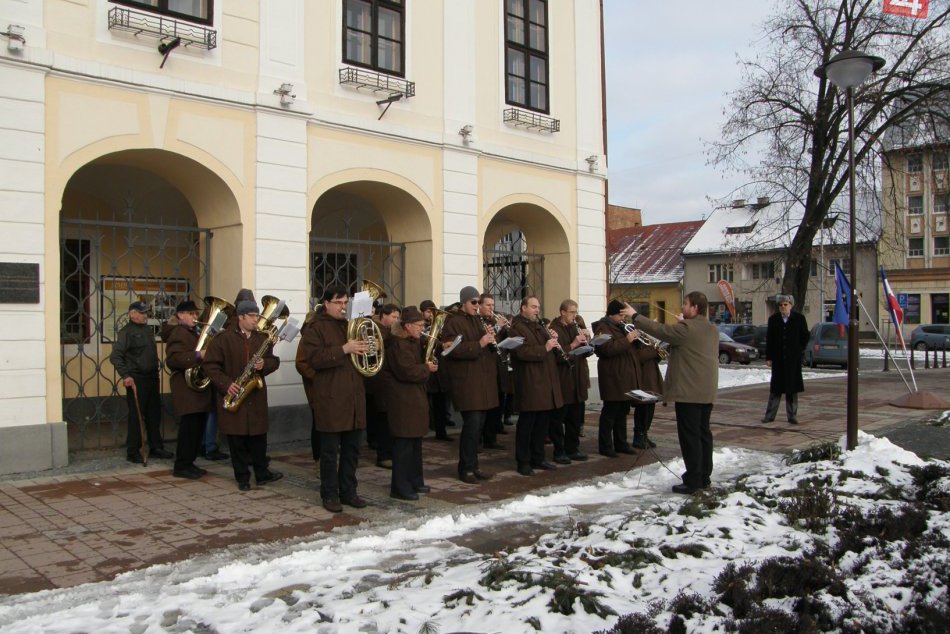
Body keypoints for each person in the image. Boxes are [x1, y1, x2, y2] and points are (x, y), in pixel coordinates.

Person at [629, 292, 719, 494]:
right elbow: (686, 334)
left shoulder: (686, 329)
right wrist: (683, 323)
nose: (682, 307)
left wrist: (636, 317)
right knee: (704, 434)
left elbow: (661, 330)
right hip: (706, 391)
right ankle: (704, 476)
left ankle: (693, 480)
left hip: (689, 392)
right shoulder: (711, 328)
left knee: (690, 436)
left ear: (694, 307)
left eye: (685, 304)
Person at [297, 286, 369, 512]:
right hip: (330, 396)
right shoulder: (315, 328)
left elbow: (362, 359)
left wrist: (369, 348)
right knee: (329, 452)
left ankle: (349, 491)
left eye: (345, 303)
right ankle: (329, 494)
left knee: (352, 450)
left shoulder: (350, 326)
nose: (343, 307)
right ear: (326, 303)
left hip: (354, 396)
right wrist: (344, 349)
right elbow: (314, 359)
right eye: (339, 302)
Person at [202, 300, 283, 491]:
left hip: (256, 398)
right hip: (235, 393)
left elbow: (274, 361)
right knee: (236, 442)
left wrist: (265, 364)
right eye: (253, 316)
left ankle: (262, 473)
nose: (257, 319)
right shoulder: (223, 339)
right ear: (241, 317)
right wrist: (227, 384)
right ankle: (242, 478)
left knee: (259, 440)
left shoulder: (262, 338)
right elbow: (210, 366)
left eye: (257, 315)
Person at [441, 286, 498, 484]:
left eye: (478, 302)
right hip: (466, 382)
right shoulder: (453, 322)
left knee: (478, 427)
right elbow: (452, 350)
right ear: (464, 302)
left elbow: (485, 348)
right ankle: (465, 469)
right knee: (471, 427)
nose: (476, 306)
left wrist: (492, 340)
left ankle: (474, 466)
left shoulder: (477, 320)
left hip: (481, 381)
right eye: (473, 302)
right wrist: (479, 344)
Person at [382, 306, 438, 500]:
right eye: (419, 325)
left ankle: (415, 480)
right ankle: (400, 486)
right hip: (402, 399)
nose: (422, 328)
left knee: (415, 443)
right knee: (404, 445)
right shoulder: (397, 344)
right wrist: (426, 368)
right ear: (407, 326)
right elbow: (406, 371)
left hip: (414, 397)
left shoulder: (412, 341)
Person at [110, 301, 174, 463]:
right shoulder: (127, 332)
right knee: (137, 415)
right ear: (132, 314)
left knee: (154, 414)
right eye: (142, 313)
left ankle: (156, 447)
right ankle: (133, 451)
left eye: (146, 312)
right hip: (137, 379)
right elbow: (116, 356)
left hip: (152, 377)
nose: (145, 315)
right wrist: (125, 375)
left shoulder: (146, 330)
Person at [508, 296, 564, 475]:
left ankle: (538, 458)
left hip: (545, 382)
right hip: (530, 382)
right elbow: (520, 353)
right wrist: (545, 348)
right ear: (523, 308)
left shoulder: (539, 326)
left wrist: (554, 341)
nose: (537, 310)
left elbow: (550, 352)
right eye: (533, 307)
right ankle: (523, 461)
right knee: (527, 425)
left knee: (542, 424)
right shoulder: (516, 328)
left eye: (538, 307)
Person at [163, 300, 214, 479]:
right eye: (191, 314)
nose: (195, 317)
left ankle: (189, 463)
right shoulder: (178, 332)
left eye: (195, 314)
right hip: (186, 388)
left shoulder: (193, 332)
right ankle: (182, 465)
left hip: (196, 388)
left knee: (197, 427)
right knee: (189, 428)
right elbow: (173, 359)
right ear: (180, 315)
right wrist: (198, 355)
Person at [592, 300, 641, 458]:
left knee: (622, 412)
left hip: (624, 376)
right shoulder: (603, 327)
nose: (623, 319)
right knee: (610, 413)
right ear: (612, 314)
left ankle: (621, 443)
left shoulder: (619, 326)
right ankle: (605, 446)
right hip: (613, 376)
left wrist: (635, 341)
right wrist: (627, 340)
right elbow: (606, 349)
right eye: (621, 315)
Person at [549, 300, 591, 462]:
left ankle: (572, 448)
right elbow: (557, 355)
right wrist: (573, 344)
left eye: (576, 312)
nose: (575, 316)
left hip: (577, 379)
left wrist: (587, 342)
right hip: (563, 379)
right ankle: (559, 451)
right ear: (563, 312)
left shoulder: (574, 327)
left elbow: (584, 353)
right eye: (572, 312)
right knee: (559, 418)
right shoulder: (554, 329)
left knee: (575, 417)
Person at [762, 294, 809, 424]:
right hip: (778, 360)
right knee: (776, 389)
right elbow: (770, 339)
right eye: (780, 305)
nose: (783, 307)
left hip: (792, 360)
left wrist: (799, 348)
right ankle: (769, 416)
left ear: (790, 305)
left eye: (785, 304)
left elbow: (805, 335)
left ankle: (792, 416)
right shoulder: (773, 319)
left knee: (792, 389)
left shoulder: (799, 319)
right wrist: (769, 357)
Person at [367, 303, 400, 468]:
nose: (396, 320)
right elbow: (372, 353)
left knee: (388, 418)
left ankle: (387, 451)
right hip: (379, 380)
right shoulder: (373, 329)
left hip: (388, 380)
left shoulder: (389, 330)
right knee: (383, 419)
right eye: (394, 317)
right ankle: (384, 455)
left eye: (397, 317)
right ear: (383, 316)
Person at [478, 293, 508, 450]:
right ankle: (479, 439)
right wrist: (497, 327)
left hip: (499, 366)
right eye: (488, 305)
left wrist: (507, 328)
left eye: (493, 305)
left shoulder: (494, 320)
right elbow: (484, 339)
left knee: (497, 404)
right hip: (486, 368)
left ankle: (491, 438)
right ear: (480, 306)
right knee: (485, 407)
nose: (492, 308)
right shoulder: (478, 321)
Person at [421, 299, 453, 442]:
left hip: (439, 369)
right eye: (428, 312)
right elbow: (424, 341)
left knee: (440, 403)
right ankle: (424, 428)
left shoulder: (440, 326)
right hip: (426, 370)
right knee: (424, 403)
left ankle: (441, 431)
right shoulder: (420, 327)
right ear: (422, 312)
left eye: (432, 311)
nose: (431, 315)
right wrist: (440, 343)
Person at [632, 335, 664, 449]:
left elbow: (655, 357)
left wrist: (658, 353)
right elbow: (638, 357)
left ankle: (644, 434)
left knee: (650, 409)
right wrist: (653, 349)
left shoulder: (646, 341)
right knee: (643, 409)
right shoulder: (635, 340)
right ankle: (639, 436)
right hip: (642, 379)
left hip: (651, 378)